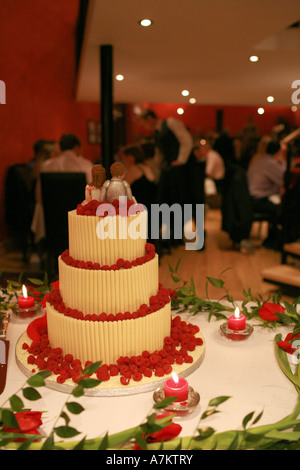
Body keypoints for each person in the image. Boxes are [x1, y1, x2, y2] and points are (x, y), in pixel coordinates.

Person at [247, 140, 286, 247]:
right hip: (257, 201)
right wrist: (283, 161)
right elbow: (283, 179)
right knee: (283, 210)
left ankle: (273, 239)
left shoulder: (261, 160)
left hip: (250, 199)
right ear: (279, 152)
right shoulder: (270, 163)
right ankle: (276, 241)